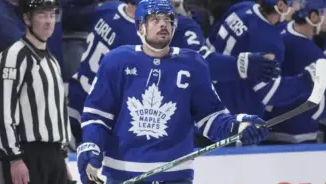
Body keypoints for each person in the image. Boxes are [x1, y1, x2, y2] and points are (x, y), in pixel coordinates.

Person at [76, 0, 269, 184]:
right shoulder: (116, 61)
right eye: (155, 19)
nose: (163, 24)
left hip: (174, 173)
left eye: (168, 19)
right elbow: (97, 115)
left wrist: (239, 125)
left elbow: (211, 118)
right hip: (124, 173)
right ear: (140, 26)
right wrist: (91, 146)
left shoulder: (193, 64)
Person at [68, 0, 279, 147]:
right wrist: (240, 65)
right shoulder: (152, 33)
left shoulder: (107, 9)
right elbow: (202, 63)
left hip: (76, 106)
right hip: (106, 121)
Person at [0, 0, 71, 184]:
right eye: (42, 15)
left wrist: (62, 157)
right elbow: (1, 110)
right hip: (28, 155)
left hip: (53, 156)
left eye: (52, 15)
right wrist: (14, 158)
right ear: (27, 19)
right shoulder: (13, 56)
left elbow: (57, 111)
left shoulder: (52, 61)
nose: (48, 21)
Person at [207, 0, 325, 118]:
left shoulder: (241, 7)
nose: (297, 8)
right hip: (234, 113)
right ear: (280, 6)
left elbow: (208, 45)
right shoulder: (270, 41)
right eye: (294, 3)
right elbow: (269, 92)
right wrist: (307, 80)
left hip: (208, 99)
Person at [264, 0, 326, 144]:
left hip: (269, 126)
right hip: (297, 136)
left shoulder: (281, 30)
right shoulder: (312, 55)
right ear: (313, 17)